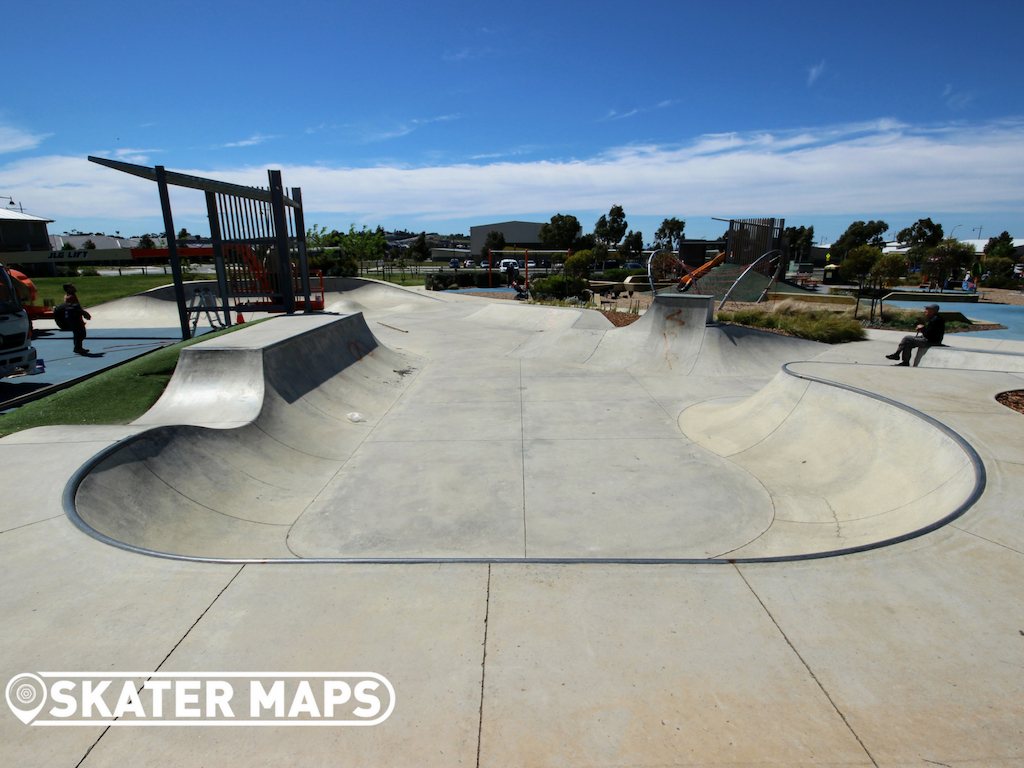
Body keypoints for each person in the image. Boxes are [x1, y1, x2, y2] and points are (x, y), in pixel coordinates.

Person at [63, 283, 92, 354]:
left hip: (72, 316)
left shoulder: (68, 296)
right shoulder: (71, 297)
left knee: (77, 332)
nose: (74, 287)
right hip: (73, 316)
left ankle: (78, 347)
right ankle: (78, 347)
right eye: (71, 287)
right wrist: (85, 313)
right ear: (68, 289)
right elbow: (76, 308)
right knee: (80, 332)